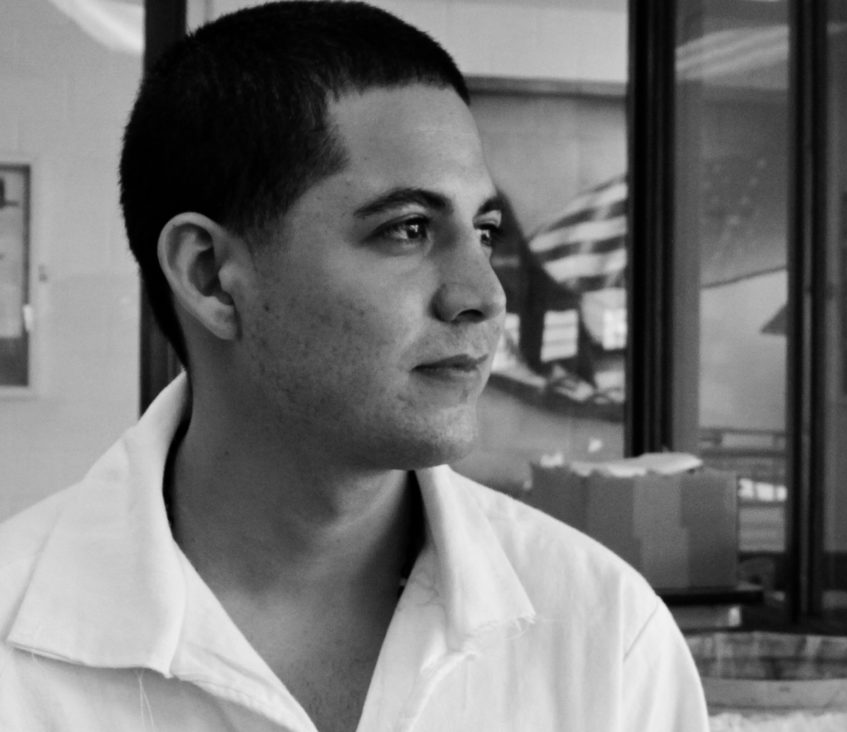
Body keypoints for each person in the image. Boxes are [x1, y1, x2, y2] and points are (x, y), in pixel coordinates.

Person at [0, 2, 709, 730]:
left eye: (485, 232)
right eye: (407, 229)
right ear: (211, 276)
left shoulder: (604, 640)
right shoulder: (15, 657)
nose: (485, 296)